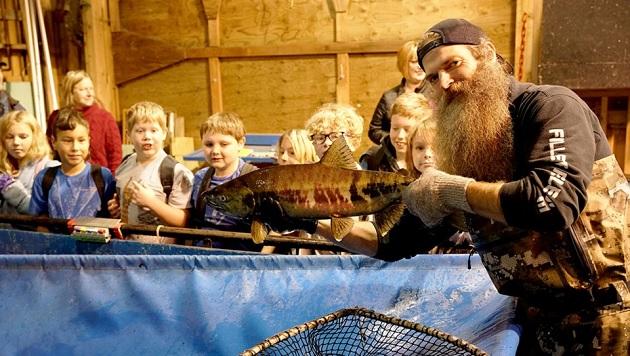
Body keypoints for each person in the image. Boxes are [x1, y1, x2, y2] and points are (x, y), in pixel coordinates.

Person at [402, 19, 628, 355]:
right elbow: (398, 238)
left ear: (487, 55)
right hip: (537, 325)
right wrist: (322, 218)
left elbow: (553, 202)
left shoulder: (550, 105)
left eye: (454, 64)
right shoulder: (464, 145)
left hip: (610, 319)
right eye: (433, 77)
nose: (446, 83)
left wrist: (452, 190)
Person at [111, 101, 193, 240]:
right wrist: (117, 208)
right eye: (140, 130)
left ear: (164, 134)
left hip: (159, 255)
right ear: (128, 135)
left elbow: (183, 221)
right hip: (126, 250)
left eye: (153, 130)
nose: (147, 136)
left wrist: (151, 202)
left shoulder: (175, 171)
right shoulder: (125, 164)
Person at [189, 112, 258, 251]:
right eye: (209, 144)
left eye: (224, 144)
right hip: (202, 254)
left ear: (240, 143)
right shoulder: (200, 178)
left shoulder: (254, 179)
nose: (215, 151)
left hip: (240, 257)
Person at [29, 107, 115, 218]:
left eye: (81, 140)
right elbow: (37, 220)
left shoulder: (102, 176)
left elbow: (113, 216)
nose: (75, 147)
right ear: (54, 142)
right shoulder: (44, 178)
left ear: (89, 141)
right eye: (67, 141)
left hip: (94, 235)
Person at [46, 70, 122, 172]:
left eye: (91, 89)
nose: (89, 93)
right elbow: (51, 149)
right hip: (65, 179)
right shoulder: (56, 117)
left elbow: (115, 156)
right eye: (83, 89)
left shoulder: (105, 118)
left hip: (98, 180)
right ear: (70, 92)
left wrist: (111, 183)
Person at [368, 40, 427, 145]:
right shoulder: (389, 97)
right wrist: (395, 139)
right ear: (403, 64)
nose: (419, 66)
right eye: (414, 62)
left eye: (421, 61)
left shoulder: (437, 93)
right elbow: (374, 130)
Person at [360, 92, 432, 173]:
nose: (400, 135)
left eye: (407, 130)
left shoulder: (430, 161)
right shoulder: (372, 159)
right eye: (395, 128)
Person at [0, 110, 56, 214]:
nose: (16, 142)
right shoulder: (4, 167)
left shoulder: (49, 168)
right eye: (9, 137)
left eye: (23, 137)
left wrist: (11, 189)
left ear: (35, 137)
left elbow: (47, 211)